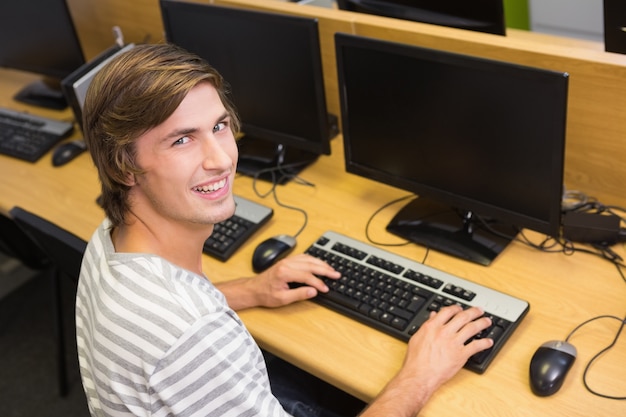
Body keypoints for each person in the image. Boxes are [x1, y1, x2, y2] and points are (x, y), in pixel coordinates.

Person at [76, 42, 494, 417]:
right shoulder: (191, 337)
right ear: (122, 165)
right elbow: (185, 336)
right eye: (182, 140)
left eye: (219, 126)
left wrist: (251, 290)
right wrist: (421, 375)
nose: (221, 159)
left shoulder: (111, 237)